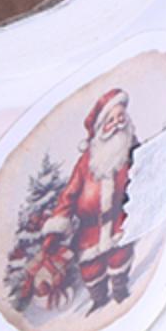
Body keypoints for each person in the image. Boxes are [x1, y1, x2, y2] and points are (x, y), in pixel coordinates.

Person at [41, 88, 138, 313]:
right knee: (90, 267)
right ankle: (98, 299)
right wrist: (57, 228)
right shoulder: (87, 161)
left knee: (119, 256)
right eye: (111, 120)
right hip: (90, 229)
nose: (118, 124)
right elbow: (70, 193)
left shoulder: (131, 150)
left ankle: (120, 291)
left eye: (121, 117)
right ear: (100, 128)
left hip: (119, 220)